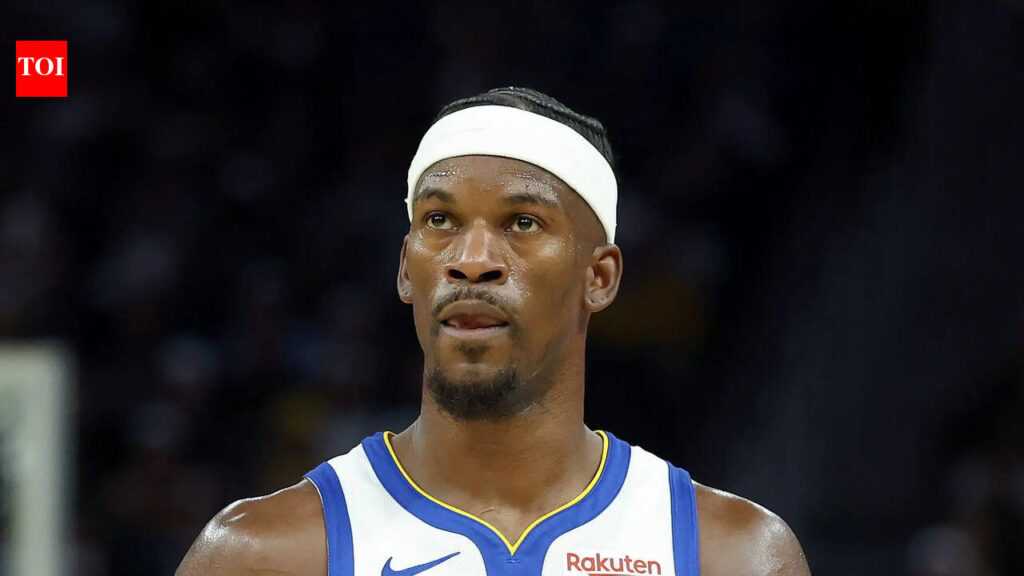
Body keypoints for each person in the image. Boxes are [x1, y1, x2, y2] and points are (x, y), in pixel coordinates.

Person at [175, 87, 812, 576]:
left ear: (600, 277)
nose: (472, 259)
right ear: (406, 268)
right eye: (440, 219)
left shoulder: (731, 555)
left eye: (523, 223)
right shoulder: (263, 553)